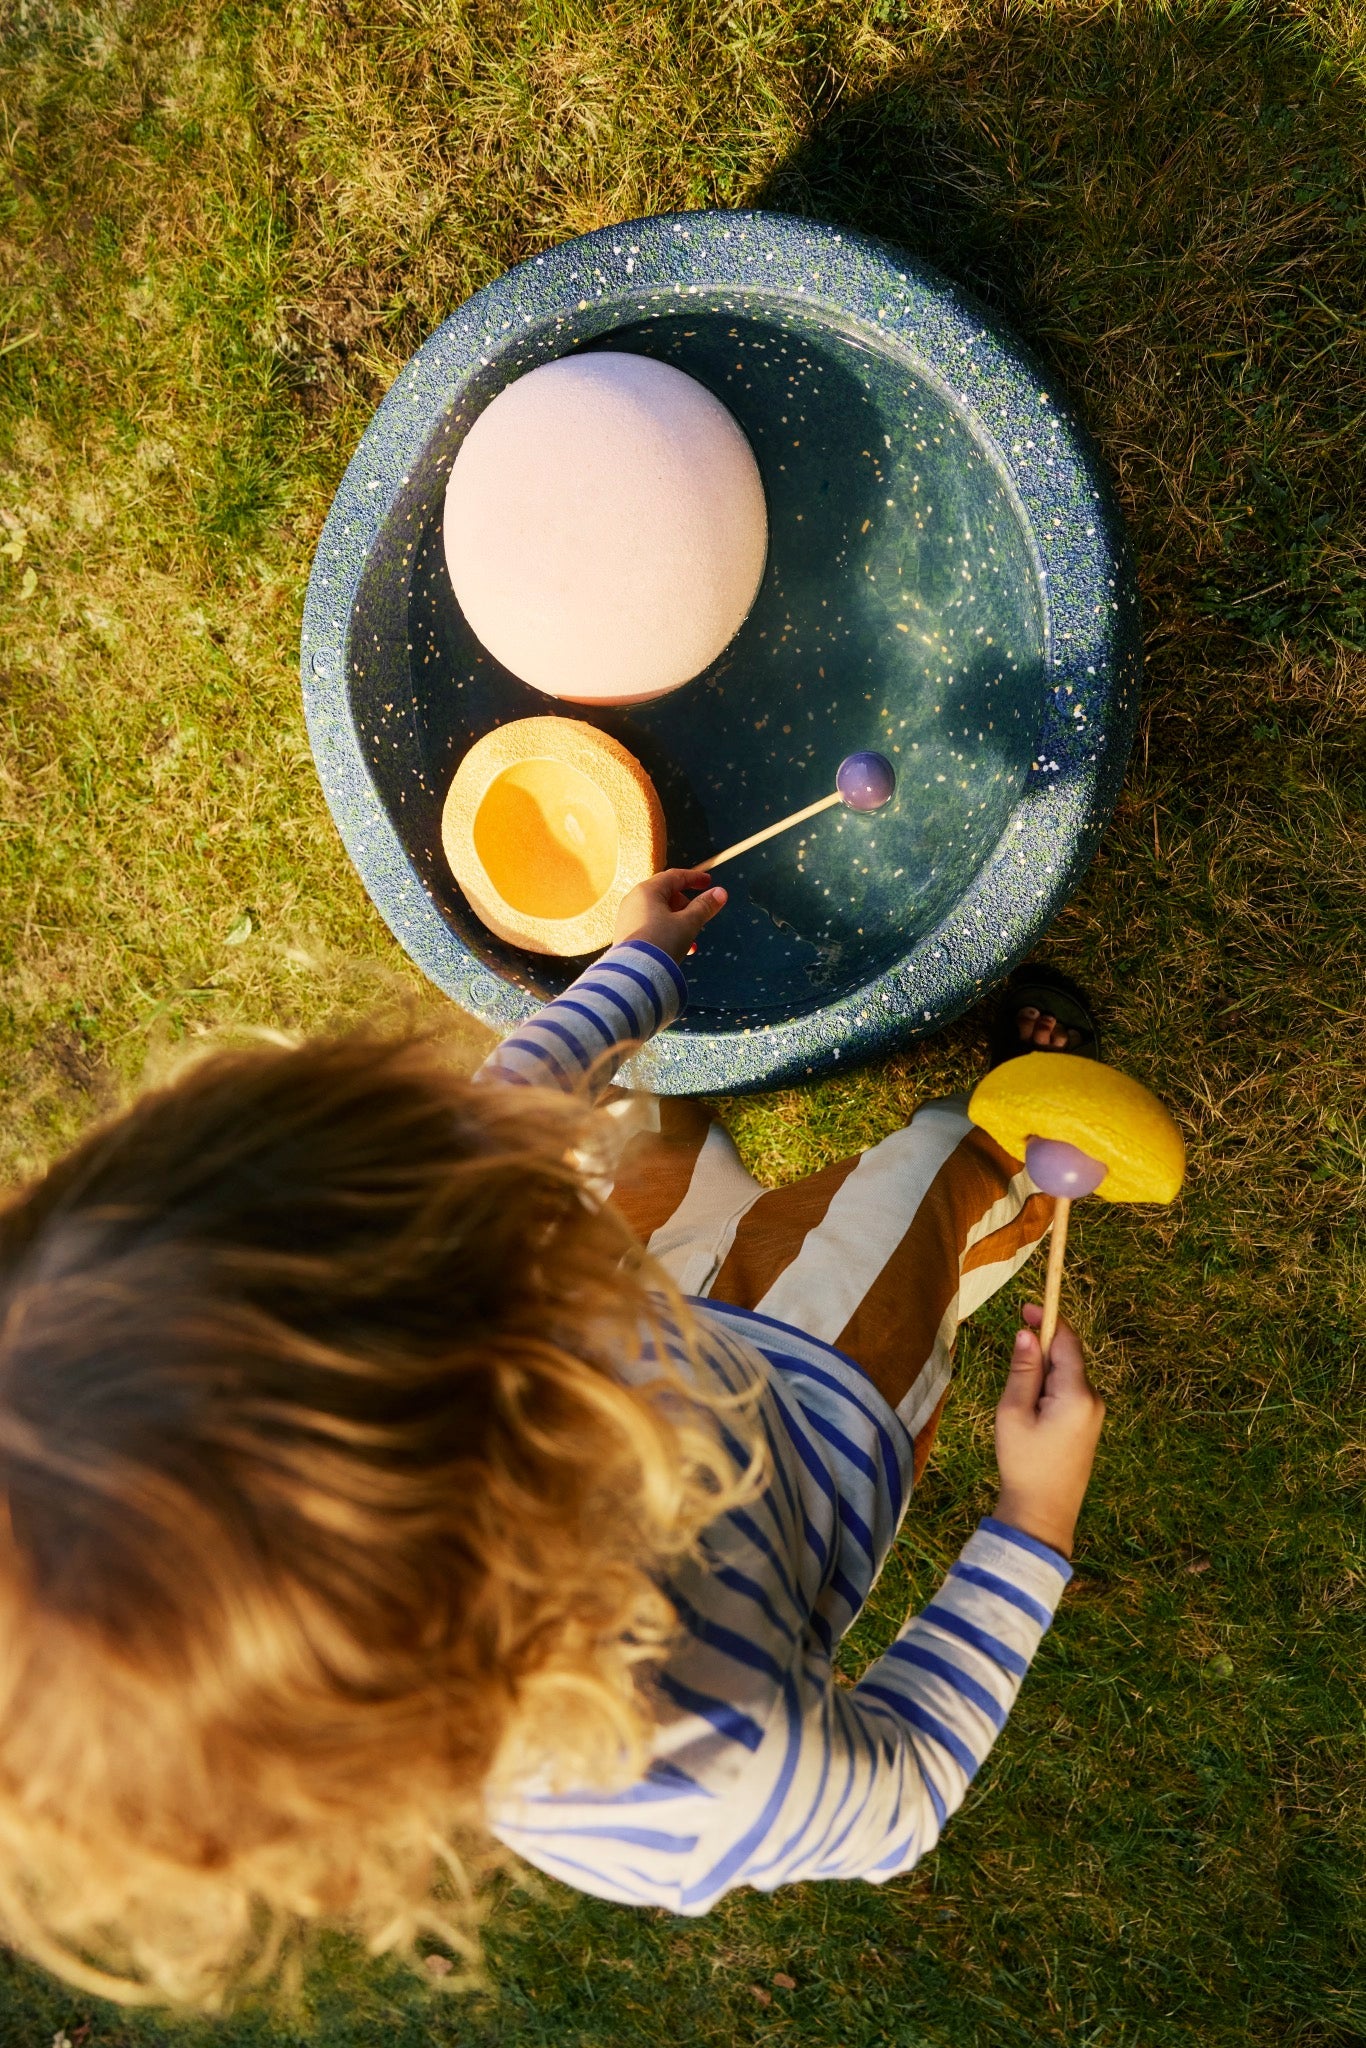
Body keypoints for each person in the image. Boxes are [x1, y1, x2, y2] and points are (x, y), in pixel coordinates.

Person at [0, 867, 1104, 2006]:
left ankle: (726, 1151)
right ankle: (998, 1146)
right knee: (926, 1186)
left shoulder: (376, 1292)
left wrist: (635, 974)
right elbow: (906, 1787)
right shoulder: (694, 1770)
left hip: (639, 1290)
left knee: (649, 1127)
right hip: (819, 1401)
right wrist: (1033, 1516)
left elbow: (495, 1126)